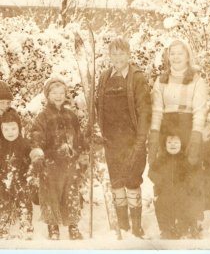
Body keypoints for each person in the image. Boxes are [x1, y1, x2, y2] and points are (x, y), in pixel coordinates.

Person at [148, 39, 208, 239]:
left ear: (187, 56)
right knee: (166, 180)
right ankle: (167, 225)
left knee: (189, 178)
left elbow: (200, 110)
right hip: (167, 131)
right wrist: (155, 136)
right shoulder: (161, 80)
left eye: (180, 53)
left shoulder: (197, 80)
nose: (175, 57)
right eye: (172, 54)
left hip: (187, 128)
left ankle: (188, 222)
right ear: (168, 57)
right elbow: (157, 110)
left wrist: (196, 137)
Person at [95, 37, 151, 238]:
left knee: (132, 180)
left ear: (129, 55)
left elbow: (145, 110)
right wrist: (99, 133)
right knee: (116, 181)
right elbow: (97, 106)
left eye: (121, 53)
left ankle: (136, 227)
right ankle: (123, 225)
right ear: (109, 56)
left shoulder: (137, 78)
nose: (117, 57)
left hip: (132, 140)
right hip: (111, 140)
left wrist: (141, 139)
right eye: (114, 53)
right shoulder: (104, 77)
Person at [29, 76, 88, 240]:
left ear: (66, 94)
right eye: (54, 92)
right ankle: (53, 226)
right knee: (51, 195)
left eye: (61, 92)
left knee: (71, 193)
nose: (58, 96)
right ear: (48, 95)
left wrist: (83, 152)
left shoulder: (72, 116)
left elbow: (79, 137)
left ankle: (73, 226)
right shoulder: (43, 117)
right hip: (51, 164)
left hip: (69, 163)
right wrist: (38, 154)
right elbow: (36, 136)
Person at [0, 108, 33, 240]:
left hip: (21, 178)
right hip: (2, 179)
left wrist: (31, 169)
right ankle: (3, 222)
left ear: (19, 128)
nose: (10, 132)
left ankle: (26, 223)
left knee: (23, 199)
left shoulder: (25, 143)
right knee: (3, 201)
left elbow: (32, 157)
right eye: (6, 129)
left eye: (13, 128)